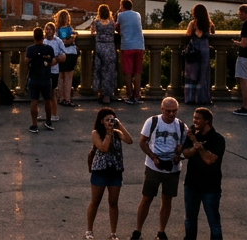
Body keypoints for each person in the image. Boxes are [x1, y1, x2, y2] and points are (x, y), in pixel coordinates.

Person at [133, 97, 186, 240]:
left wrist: (179, 155)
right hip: (153, 167)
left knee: (167, 200)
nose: (171, 114)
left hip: (172, 169)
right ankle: (137, 230)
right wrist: (153, 157)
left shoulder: (181, 126)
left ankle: (161, 231)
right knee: (147, 198)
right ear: (162, 109)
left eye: (174, 111)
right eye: (168, 111)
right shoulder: (152, 122)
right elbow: (142, 142)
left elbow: (185, 147)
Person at [87, 107, 133, 240]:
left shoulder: (117, 132)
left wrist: (120, 125)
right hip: (100, 170)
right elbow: (103, 148)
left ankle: (113, 232)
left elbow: (130, 141)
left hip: (115, 171)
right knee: (95, 201)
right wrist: (108, 133)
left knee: (113, 202)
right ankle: (89, 230)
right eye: (107, 120)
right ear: (101, 121)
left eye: (112, 120)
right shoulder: (96, 133)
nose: (110, 122)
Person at [181, 107, 224, 240]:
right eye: (194, 118)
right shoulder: (193, 135)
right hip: (191, 185)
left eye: (198, 118)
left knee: (214, 223)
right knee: (190, 220)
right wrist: (194, 144)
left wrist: (195, 143)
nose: (194, 121)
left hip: (210, 187)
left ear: (207, 121)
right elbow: (185, 153)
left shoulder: (217, 139)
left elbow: (209, 159)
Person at [25, 27, 57, 133]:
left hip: (34, 77)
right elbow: (52, 61)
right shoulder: (48, 49)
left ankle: (34, 124)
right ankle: (48, 121)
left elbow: (26, 61)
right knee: (48, 100)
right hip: (46, 77)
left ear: (34, 37)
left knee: (34, 101)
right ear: (43, 37)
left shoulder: (30, 49)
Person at [183, 5, 213, 106]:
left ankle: (191, 98)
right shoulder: (209, 24)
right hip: (204, 51)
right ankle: (203, 98)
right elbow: (213, 33)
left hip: (194, 51)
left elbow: (187, 34)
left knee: (192, 74)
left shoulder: (193, 24)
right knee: (203, 75)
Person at [117, 0, 145, 105]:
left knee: (128, 73)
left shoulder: (121, 15)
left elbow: (117, 28)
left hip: (127, 46)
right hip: (139, 45)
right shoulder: (137, 14)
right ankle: (137, 95)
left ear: (122, 6)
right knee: (137, 72)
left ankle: (129, 95)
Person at [92, 4, 119, 105]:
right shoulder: (112, 23)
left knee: (98, 71)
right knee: (109, 72)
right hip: (110, 48)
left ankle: (99, 92)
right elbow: (115, 31)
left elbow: (92, 32)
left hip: (99, 48)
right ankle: (107, 96)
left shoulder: (96, 22)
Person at [44, 22, 67, 123]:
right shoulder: (43, 41)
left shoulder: (58, 41)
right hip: (44, 70)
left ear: (53, 31)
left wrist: (56, 59)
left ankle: (54, 114)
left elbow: (64, 56)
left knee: (52, 92)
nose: (48, 31)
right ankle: (47, 113)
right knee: (45, 94)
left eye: (49, 29)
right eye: (46, 29)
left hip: (54, 70)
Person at [55, 10, 79, 107]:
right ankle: (67, 99)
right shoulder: (69, 29)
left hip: (60, 54)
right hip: (70, 53)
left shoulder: (56, 30)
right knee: (68, 78)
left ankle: (61, 98)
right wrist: (72, 38)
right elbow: (74, 35)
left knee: (60, 77)